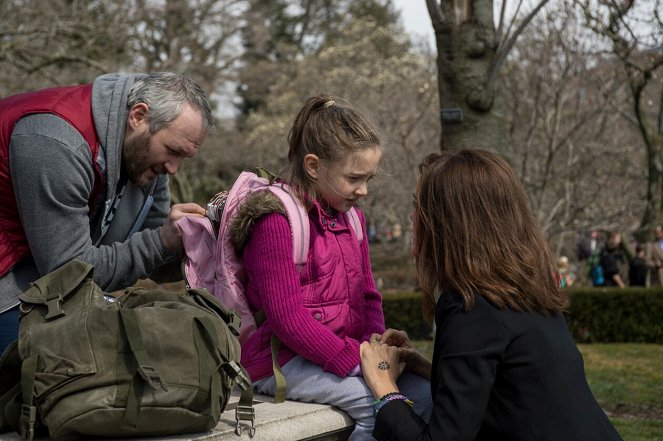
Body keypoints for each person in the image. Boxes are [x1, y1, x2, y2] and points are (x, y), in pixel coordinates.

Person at [360, 149, 623, 440]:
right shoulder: (518, 289)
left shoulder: (470, 306)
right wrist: (424, 366)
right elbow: (506, 391)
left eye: (418, 206)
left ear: (445, 224)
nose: (412, 217)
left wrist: (383, 386)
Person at [235, 94, 432, 440]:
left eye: (369, 179)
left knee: (424, 395)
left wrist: (376, 345)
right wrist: (356, 362)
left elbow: (368, 296)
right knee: (376, 404)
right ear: (314, 166)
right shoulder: (277, 223)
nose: (364, 190)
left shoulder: (352, 219)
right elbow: (288, 320)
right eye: (355, 178)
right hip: (278, 361)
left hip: (340, 354)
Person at [0, 72, 214, 353]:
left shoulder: (145, 159)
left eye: (183, 158)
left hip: (48, 283)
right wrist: (162, 241)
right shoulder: (54, 140)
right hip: (12, 284)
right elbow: (71, 274)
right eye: (172, 151)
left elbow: (153, 259)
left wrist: (205, 244)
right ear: (138, 116)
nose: (173, 168)